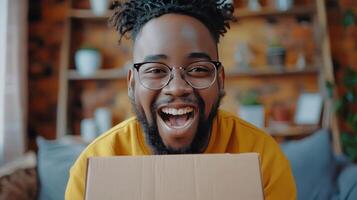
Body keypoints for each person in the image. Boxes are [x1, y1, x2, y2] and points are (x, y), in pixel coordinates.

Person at [65, 0, 296, 199]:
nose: (176, 88)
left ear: (220, 80)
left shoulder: (262, 160)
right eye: (155, 70)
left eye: (197, 69)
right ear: (132, 84)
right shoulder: (93, 168)